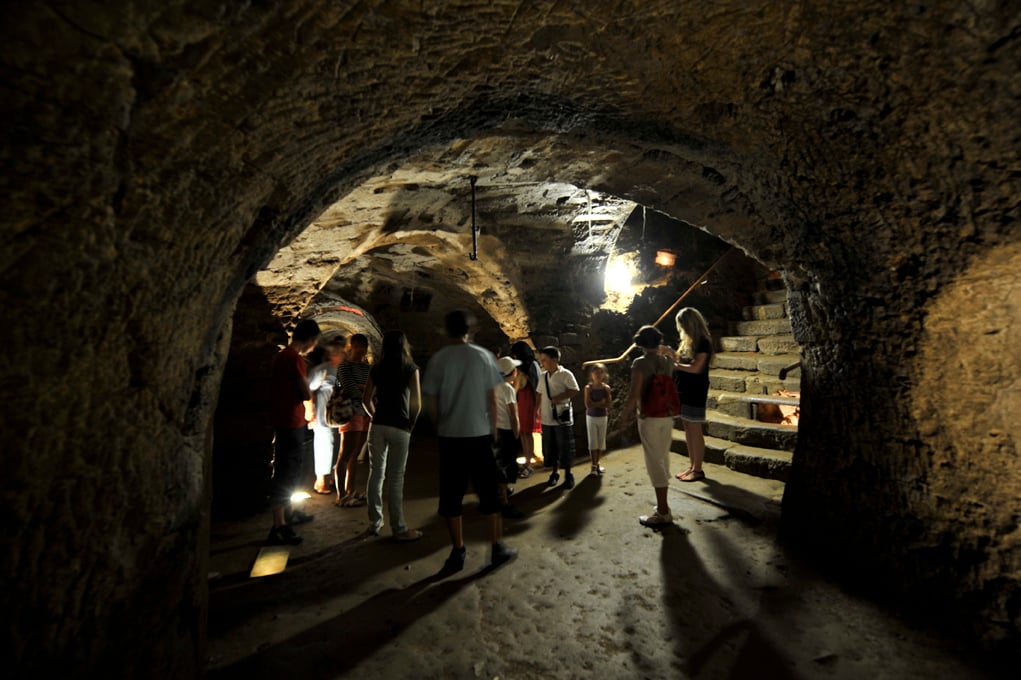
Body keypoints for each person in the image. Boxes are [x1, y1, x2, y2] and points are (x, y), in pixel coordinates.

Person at [422, 310, 516, 572]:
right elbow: (491, 398)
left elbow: (431, 402)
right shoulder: (484, 357)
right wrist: (494, 432)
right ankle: (496, 548)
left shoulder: (439, 360)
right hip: (479, 435)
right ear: (469, 329)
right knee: (488, 493)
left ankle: (457, 551)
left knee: (452, 496)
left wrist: (440, 425)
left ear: (447, 330)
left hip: (451, 437)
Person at [362, 330, 423, 541]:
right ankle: (399, 528)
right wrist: (411, 423)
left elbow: (366, 399)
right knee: (396, 478)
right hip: (400, 426)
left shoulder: (377, 368)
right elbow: (416, 402)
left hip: (378, 425)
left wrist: (374, 416)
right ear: (404, 345)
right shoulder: (410, 368)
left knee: (375, 473)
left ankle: (374, 523)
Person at [266, 318, 320, 545]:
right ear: (309, 339)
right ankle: (279, 526)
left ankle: (289, 514)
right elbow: (305, 392)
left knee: (292, 470)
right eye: (315, 342)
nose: (314, 346)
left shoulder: (282, 356)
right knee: (286, 473)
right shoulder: (294, 358)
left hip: (286, 419)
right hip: (291, 421)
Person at [619, 325, 677, 527]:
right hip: (667, 415)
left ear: (640, 343)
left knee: (654, 462)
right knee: (663, 457)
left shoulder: (639, 363)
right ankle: (664, 507)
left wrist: (625, 415)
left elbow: (635, 393)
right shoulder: (667, 360)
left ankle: (662, 512)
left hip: (649, 416)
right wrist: (667, 349)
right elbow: (675, 357)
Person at [667, 307, 714, 482]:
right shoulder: (689, 341)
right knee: (688, 427)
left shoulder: (703, 342)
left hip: (696, 389)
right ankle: (692, 466)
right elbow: (683, 362)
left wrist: (675, 366)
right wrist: (671, 353)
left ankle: (698, 469)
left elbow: (696, 368)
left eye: (682, 325)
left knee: (695, 429)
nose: (681, 329)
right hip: (684, 388)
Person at [335, 333, 372, 507]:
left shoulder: (367, 367)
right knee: (346, 453)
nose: (360, 350)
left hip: (366, 413)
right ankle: (341, 495)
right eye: (357, 347)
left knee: (355, 454)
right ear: (351, 347)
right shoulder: (344, 366)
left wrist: (364, 389)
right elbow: (351, 389)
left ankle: (351, 490)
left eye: (363, 347)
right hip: (351, 411)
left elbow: (373, 388)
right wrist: (366, 389)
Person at [537, 346, 580, 490]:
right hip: (547, 418)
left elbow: (574, 390)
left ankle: (568, 474)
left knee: (565, 446)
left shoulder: (565, 374)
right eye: (541, 360)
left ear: (554, 360)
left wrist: (559, 398)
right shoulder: (542, 376)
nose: (542, 363)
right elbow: (539, 394)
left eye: (545, 360)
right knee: (551, 447)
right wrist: (537, 411)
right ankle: (554, 472)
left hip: (562, 417)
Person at [307, 337, 345, 494]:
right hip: (324, 414)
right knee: (324, 444)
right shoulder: (322, 370)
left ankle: (333, 477)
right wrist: (310, 412)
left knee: (338, 445)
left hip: (341, 414)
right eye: (336, 352)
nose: (339, 354)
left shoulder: (345, 370)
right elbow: (308, 389)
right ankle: (321, 480)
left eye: (341, 351)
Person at [494, 356, 524, 519]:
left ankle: (501, 491)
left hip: (494, 430)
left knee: (498, 463)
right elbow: (514, 415)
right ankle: (504, 502)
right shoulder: (507, 389)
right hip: (506, 430)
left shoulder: (493, 386)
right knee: (506, 465)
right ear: (513, 372)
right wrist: (516, 433)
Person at [509, 341, 542, 478]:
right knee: (522, 432)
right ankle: (527, 460)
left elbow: (536, 386)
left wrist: (537, 408)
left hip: (529, 401)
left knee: (528, 432)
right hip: (521, 400)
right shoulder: (521, 366)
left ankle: (529, 463)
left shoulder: (532, 365)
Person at [583, 362, 611, 476]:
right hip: (591, 417)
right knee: (593, 441)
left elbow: (608, 404)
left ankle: (597, 463)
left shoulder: (606, 388)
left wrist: (596, 403)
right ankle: (593, 466)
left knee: (600, 441)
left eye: (601, 372)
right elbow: (588, 405)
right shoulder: (588, 388)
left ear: (604, 374)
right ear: (591, 374)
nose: (598, 374)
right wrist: (601, 403)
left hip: (602, 416)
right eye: (596, 372)